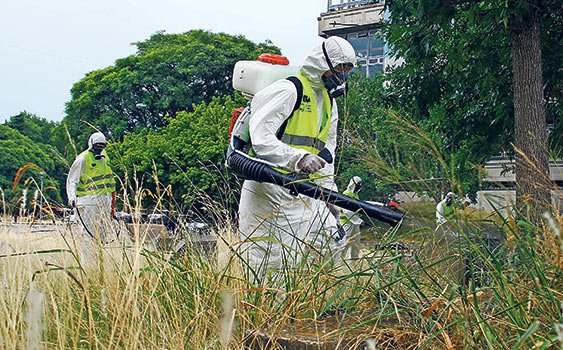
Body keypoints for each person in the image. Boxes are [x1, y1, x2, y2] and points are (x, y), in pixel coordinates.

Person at [238, 36, 357, 276]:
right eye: (339, 69)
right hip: (269, 191)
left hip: (303, 193)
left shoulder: (329, 103)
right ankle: (265, 313)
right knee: (270, 263)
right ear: (323, 63)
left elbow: (325, 154)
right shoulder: (288, 89)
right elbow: (261, 138)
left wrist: (329, 196)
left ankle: (314, 308)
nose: (342, 76)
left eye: (347, 70)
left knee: (332, 242)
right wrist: (298, 158)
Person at [66, 132, 116, 244]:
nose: (99, 149)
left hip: (104, 201)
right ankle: (87, 261)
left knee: (102, 235)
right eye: (97, 146)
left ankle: (98, 260)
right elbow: (72, 180)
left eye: (102, 146)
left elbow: (110, 182)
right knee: (88, 235)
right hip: (88, 201)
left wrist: (112, 204)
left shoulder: (105, 157)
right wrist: (72, 197)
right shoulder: (83, 159)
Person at [339, 176, 364, 259]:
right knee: (345, 242)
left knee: (356, 242)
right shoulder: (346, 194)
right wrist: (359, 221)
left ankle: (354, 259)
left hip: (355, 223)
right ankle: (339, 260)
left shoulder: (355, 195)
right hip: (346, 223)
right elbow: (347, 211)